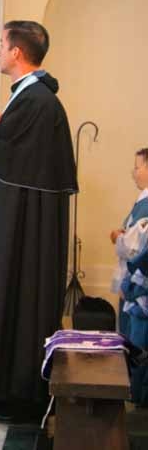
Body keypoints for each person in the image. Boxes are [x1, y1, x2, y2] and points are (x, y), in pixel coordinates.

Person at [0, 20, 77, 423]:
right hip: (19, 219)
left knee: (17, 295)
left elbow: (8, 157)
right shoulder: (31, 98)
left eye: (1, 44)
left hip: (22, 230)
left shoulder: (35, 100)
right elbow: (16, 153)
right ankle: (9, 392)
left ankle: (19, 396)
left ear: (17, 52)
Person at [114, 148, 148, 405]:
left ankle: (139, 398)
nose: (133, 172)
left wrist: (119, 238)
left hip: (140, 289)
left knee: (138, 348)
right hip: (134, 284)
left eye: (137, 167)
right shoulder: (141, 201)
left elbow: (137, 247)